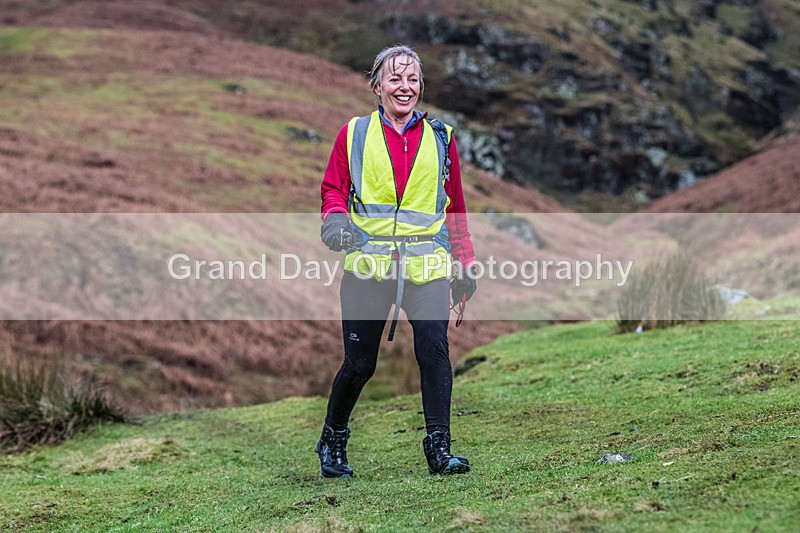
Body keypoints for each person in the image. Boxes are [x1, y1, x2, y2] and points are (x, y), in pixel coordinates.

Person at [317, 44, 477, 477]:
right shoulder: (353, 134)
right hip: (369, 270)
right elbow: (333, 189)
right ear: (377, 86)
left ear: (420, 86)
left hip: (427, 270)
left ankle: (439, 449)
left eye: (412, 80)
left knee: (434, 351)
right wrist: (335, 223)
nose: (404, 87)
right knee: (359, 365)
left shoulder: (442, 138)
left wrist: (465, 265)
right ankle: (332, 441)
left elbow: (455, 206)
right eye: (395, 79)